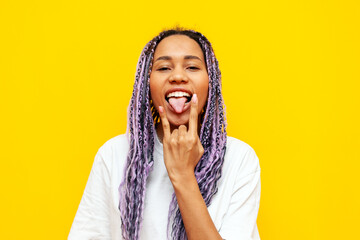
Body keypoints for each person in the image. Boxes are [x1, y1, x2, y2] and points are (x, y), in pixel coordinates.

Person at [68, 28, 261, 240]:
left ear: (211, 82)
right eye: (164, 67)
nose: (178, 76)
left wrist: (183, 174)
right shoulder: (114, 155)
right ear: (146, 84)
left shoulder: (240, 159)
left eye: (192, 66)